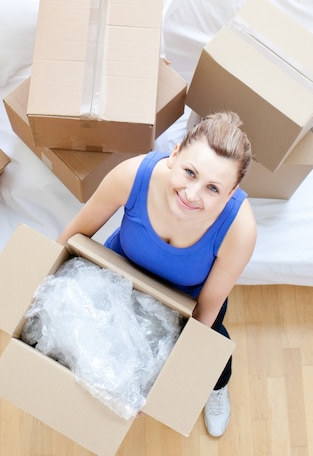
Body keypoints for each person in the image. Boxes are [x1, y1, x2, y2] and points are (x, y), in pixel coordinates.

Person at [57, 111, 257, 437]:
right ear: (174, 155)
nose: (192, 195)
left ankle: (216, 387)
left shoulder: (240, 229)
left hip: (186, 303)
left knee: (213, 350)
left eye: (213, 188)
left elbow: (205, 311)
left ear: (232, 193)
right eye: (190, 172)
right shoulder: (133, 175)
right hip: (120, 279)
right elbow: (71, 238)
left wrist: (166, 375)